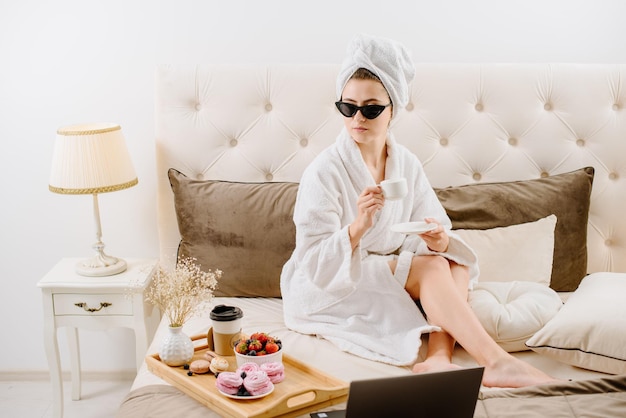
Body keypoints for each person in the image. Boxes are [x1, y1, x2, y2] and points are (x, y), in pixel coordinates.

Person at [280, 34, 556, 388]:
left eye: (371, 108)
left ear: (393, 109)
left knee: (452, 260)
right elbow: (313, 262)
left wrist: (438, 238)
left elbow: (435, 224)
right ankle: (497, 362)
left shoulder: (405, 163)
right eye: (348, 107)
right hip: (326, 284)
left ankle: (439, 358)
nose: (357, 118)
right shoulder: (325, 171)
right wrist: (358, 227)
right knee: (430, 266)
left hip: (376, 266)